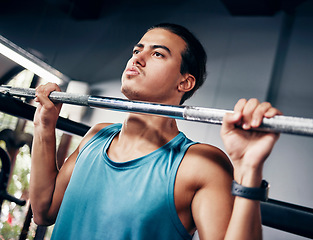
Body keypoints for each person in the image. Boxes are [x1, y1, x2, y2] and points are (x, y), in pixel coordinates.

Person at [29, 23, 281, 239]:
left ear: (185, 82)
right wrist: (44, 125)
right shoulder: (97, 136)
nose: (137, 58)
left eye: (158, 54)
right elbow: (43, 210)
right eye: (137, 50)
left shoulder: (201, 164)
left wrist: (249, 170)